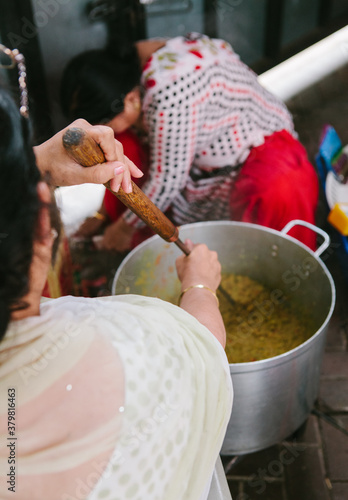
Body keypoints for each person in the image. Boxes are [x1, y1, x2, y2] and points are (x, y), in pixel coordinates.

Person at [0, 86, 233, 500]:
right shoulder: (121, 345)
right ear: (42, 223)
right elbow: (202, 350)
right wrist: (200, 288)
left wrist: (40, 165)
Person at [60, 32, 319, 252]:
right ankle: (128, 227)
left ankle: (135, 236)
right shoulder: (133, 58)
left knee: (273, 197)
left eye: (102, 121)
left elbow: (168, 179)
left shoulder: (169, 95)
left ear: (129, 100)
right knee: (121, 143)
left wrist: (123, 229)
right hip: (208, 144)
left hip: (258, 147)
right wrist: (108, 216)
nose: (99, 130)